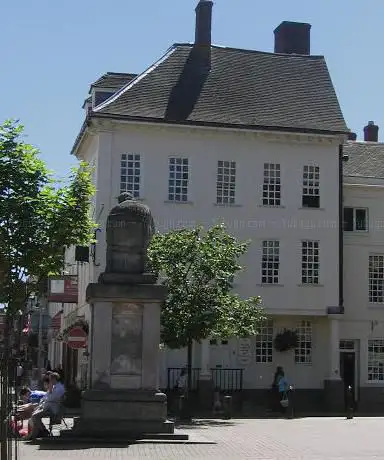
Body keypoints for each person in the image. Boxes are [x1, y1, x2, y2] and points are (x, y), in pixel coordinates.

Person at [26, 372, 65, 440]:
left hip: (53, 408)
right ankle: (39, 432)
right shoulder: (54, 386)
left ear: (54, 379)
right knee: (33, 414)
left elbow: (52, 398)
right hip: (47, 406)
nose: (50, 381)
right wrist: (41, 403)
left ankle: (43, 431)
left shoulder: (59, 387)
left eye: (50, 379)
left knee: (35, 416)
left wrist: (50, 390)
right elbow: (44, 397)